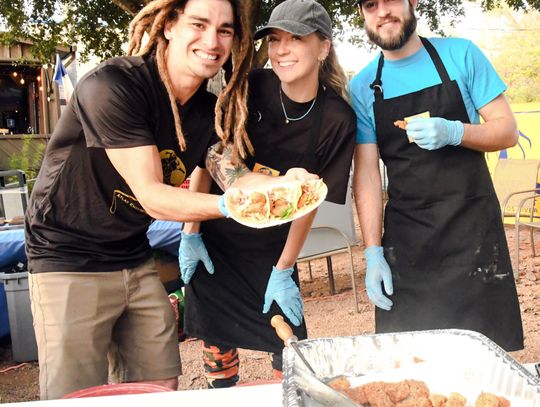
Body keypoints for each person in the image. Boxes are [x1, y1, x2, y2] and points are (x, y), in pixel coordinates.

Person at [24, 0, 275, 400]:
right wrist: (231, 209)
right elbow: (153, 197)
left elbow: (235, 176)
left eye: (225, 30)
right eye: (199, 23)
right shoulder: (112, 87)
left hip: (132, 253)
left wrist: (284, 184)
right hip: (66, 254)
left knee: (158, 385)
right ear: (169, 26)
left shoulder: (208, 112)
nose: (212, 40)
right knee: (76, 395)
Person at [179, 0, 356, 388]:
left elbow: (310, 201)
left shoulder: (336, 119)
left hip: (274, 252)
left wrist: (284, 268)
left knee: (290, 361)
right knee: (217, 358)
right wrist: (190, 234)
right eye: (275, 39)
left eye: (295, 39)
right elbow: (208, 156)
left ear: (324, 46)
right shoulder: (250, 86)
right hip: (215, 245)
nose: (281, 50)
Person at [350, 0, 524, 351]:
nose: (382, 11)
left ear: (412, 2)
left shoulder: (461, 55)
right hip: (408, 245)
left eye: (391, 0)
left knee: (483, 363)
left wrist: (456, 132)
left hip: (473, 237)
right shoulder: (364, 86)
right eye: (371, 4)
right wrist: (372, 251)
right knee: (412, 365)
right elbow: (367, 175)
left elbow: (507, 132)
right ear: (363, 14)